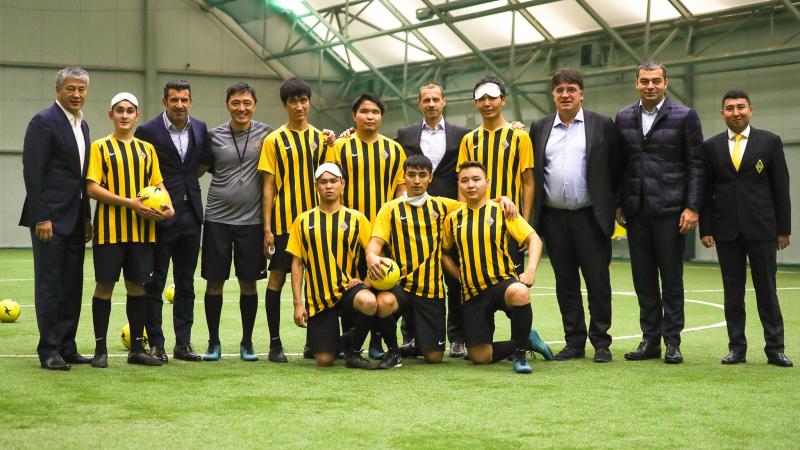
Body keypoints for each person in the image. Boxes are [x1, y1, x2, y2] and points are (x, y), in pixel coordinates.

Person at [367, 154, 520, 369]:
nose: (417, 181)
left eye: (422, 175)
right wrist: (372, 255)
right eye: (412, 175)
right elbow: (375, 242)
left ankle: (521, 343)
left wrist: (502, 199)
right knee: (384, 303)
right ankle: (393, 352)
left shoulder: (443, 206)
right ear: (404, 177)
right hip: (400, 285)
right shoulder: (390, 209)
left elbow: (476, 203)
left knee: (435, 356)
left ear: (431, 178)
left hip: (431, 290)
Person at [615, 59, 704, 364]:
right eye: (644, 81)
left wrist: (693, 206)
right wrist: (619, 203)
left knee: (671, 278)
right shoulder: (623, 117)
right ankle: (650, 340)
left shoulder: (685, 116)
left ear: (666, 83)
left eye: (655, 81)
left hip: (670, 210)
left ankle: (673, 342)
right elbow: (621, 165)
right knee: (643, 279)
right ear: (636, 84)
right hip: (636, 211)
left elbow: (696, 163)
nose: (650, 86)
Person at [531, 68, 621, 362]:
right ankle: (574, 342)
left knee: (598, 282)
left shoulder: (602, 125)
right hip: (554, 219)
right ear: (553, 95)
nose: (566, 95)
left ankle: (601, 342)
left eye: (571, 89)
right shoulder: (540, 127)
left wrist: (614, 208)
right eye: (560, 90)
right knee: (565, 283)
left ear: (581, 93)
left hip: (590, 218)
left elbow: (616, 168)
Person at [699, 90, 793, 368]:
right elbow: (706, 192)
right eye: (729, 108)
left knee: (767, 291)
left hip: (763, 229)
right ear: (722, 114)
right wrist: (706, 228)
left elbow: (781, 188)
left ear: (751, 110)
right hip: (726, 231)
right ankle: (736, 348)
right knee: (732, 292)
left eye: (741, 107)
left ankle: (775, 349)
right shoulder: (711, 147)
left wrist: (783, 229)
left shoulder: (770, 142)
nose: (735, 113)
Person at [85, 92, 175, 368]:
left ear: (137, 116)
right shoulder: (100, 147)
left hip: (142, 233)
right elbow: (92, 187)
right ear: (110, 115)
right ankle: (101, 350)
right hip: (109, 232)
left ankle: (136, 349)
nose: (125, 115)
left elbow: (158, 186)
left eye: (130, 110)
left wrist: (168, 208)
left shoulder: (146, 150)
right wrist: (129, 203)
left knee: (137, 288)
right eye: (119, 110)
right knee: (104, 287)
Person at [441, 161, 552, 374]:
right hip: (473, 293)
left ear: (487, 182)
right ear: (459, 184)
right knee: (480, 357)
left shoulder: (502, 210)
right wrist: (459, 276)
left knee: (520, 292)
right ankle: (527, 340)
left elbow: (534, 240)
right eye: (464, 180)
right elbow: (444, 252)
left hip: (502, 284)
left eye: (476, 179)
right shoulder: (453, 218)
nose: (470, 185)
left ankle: (519, 354)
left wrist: (530, 271)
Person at [20, 67, 93, 371]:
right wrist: (42, 216)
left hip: (76, 220)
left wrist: (87, 218)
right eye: (71, 89)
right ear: (58, 91)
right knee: (50, 285)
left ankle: (67, 346)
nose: (77, 95)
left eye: (81, 89)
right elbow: (33, 173)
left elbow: (82, 178)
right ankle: (48, 350)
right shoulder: (43, 122)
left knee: (72, 285)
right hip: (49, 220)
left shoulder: (83, 125)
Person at [258, 78, 334, 363]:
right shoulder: (274, 140)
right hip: (282, 224)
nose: (299, 106)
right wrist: (266, 227)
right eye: (293, 101)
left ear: (309, 102)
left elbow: (331, 179)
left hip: (316, 224)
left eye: (303, 100)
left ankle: (312, 342)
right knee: (276, 279)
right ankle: (275, 344)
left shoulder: (322, 139)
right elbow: (268, 186)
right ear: (284, 105)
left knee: (317, 281)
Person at [328, 93, 407, 359]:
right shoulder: (340, 147)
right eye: (364, 111)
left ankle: (377, 342)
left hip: (383, 233)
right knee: (351, 286)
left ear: (381, 116)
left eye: (375, 111)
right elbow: (330, 183)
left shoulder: (394, 149)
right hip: (348, 230)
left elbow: (400, 190)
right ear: (354, 116)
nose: (369, 116)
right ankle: (352, 342)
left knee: (382, 285)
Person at [395, 83, 470, 358]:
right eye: (426, 100)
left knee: (455, 280)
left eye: (435, 99)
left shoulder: (462, 135)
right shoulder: (404, 134)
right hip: (414, 220)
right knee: (413, 278)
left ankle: (458, 338)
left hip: (449, 216)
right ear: (419, 104)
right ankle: (411, 336)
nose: (431, 104)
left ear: (444, 102)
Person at [135, 80, 207, 363]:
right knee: (155, 282)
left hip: (192, 216)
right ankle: (157, 344)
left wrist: (187, 188)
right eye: (174, 100)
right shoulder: (147, 131)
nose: (179, 105)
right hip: (160, 218)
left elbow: (200, 164)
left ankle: (183, 344)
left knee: (186, 284)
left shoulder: (200, 127)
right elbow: (141, 172)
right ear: (164, 102)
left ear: (190, 102)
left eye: (184, 100)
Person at [198, 82, 271, 362]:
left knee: (248, 283)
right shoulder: (213, 136)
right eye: (236, 103)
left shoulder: (267, 134)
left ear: (254, 105)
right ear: (228, 104)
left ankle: (247, 342)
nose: (241, 108)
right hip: (216, 218)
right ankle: (213, 342)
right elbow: (196, 169)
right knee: (214, 283)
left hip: (251, 222)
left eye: (247, 103)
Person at [287, 162, 379, 370]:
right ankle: (334, 344)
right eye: (323, 182)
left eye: (333, 181)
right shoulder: (302, 220)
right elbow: (297, 263)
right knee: (324, 360)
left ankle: (354, 353)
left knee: (370, 301)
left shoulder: (357, 218)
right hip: (319, 297)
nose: (329, 186)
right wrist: (297, 303)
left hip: (348, 289)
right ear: (316, 186)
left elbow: (373, 254)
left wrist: (365, 282)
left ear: (342, 184)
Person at [457, 75, 535, 271]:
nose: (487, 103)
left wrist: (524, 223)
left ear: (503, 100)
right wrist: (461, 220)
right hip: (475, 224)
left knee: (514, 289)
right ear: (475, 103)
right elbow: (462, 184)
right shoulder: (468, 140)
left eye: (492, 97)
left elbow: (528, 183)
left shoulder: (520, 137)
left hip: (510, 223)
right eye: (481, 98)